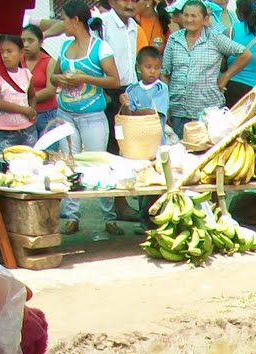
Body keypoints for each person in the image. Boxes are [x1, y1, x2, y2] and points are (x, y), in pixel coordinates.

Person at [52, 0, 122, 235]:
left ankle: (108, 216)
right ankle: (72, 216)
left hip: (92, 114)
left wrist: (86, 78)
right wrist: (59, 80)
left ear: (75, 20)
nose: (62, 23)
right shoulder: (63, 47)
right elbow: (53, 75)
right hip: (66, 113)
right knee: (68, 163)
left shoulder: (100, 48)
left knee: (99, 164)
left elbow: (114, 80)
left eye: (63, 19)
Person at [162, 0, 250, 136]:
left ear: (205, 19)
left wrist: (226, 76)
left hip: (208, 112)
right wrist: (166, 104)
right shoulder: (174, 39)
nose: (189, 20)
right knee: (181, 151)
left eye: (193, 16)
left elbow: (245, 54)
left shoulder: (215, 38)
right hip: (179, 111)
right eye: (186, 15)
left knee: (209, 152)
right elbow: (164, 73)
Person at [97, 0, 140, 144]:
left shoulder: (134, 26)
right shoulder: (101, 25)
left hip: (129, 90)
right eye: (125, 0)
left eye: (134, 1)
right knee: (111, 140)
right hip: (108, 91)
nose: (130, 5)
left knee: (128, 139)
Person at [0, 34, 38, 151]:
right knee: (4, 163)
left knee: (31, 161)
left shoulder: (26, 74)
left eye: (10, 51)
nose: (5, 55)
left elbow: (32, 96)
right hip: (5, 131)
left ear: (21, 53)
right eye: (1, 52)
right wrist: (25, 110)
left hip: (27, 129)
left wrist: (32, 110)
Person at [22, 23, 63, 141]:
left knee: (49, 151)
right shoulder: (18, 61)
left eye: (30, 41)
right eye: (23, 40)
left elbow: (50, 90)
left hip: (47, 114)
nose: (25, 45)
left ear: (40, 42)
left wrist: (26, 100)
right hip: (24, 114)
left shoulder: (50, 62)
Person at [125, 44, 171, 139]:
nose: (153, 71)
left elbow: (153, 113)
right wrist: (125, 104)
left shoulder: (161, 88)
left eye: (157, 67)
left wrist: (136, 112)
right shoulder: (131, 89)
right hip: (136, 139)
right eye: (148, 67)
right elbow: (127, 117)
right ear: (138, 67)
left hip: (156, 141)